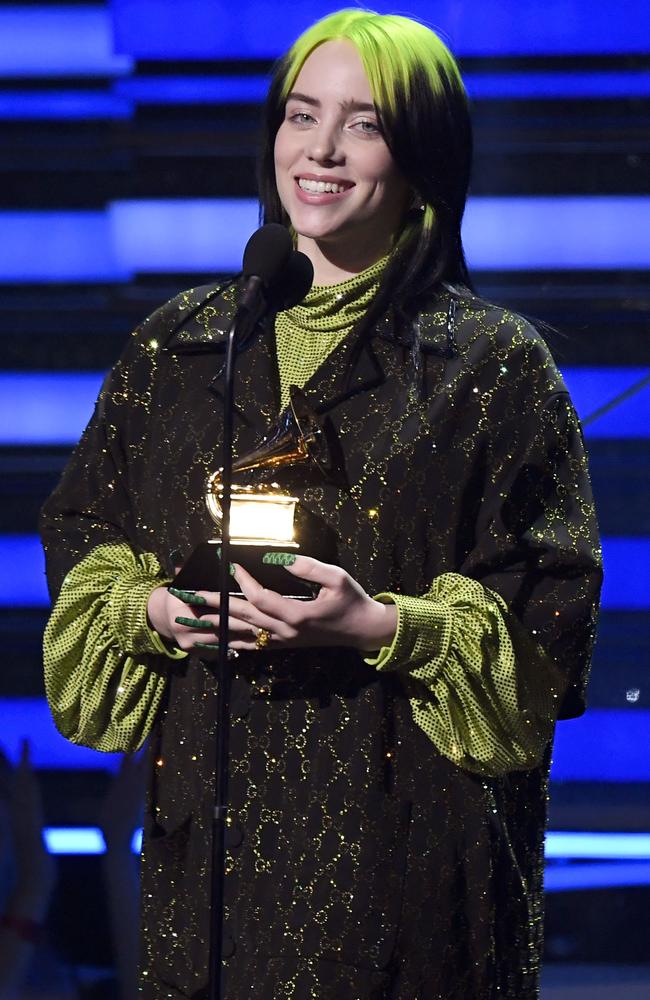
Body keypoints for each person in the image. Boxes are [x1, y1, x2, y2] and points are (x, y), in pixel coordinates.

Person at [40, 8, 602, 999]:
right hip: (210, 866)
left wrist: (375, 622)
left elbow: (545, 632)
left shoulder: (491, 365)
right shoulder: (181, 346)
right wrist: (160, 609)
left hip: (407, 867)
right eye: (301, 115)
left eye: (364, 124)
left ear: (422, 151)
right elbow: (85, 531)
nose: (322, 150)